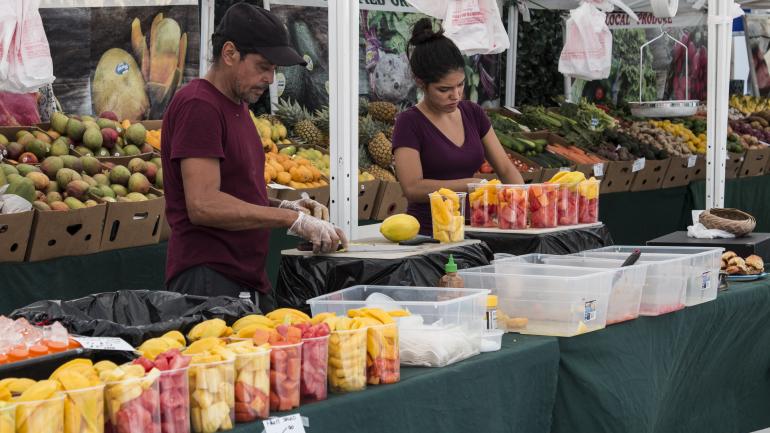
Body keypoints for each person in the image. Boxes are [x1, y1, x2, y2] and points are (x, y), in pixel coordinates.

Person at [160, 3, 347, 311]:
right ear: (230, 53)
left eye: (274, 69)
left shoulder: (237, 105)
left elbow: (235, 193)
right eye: (263, 66)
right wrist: (292, 219)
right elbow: (203, 205)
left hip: (241, 276)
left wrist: (285, 204)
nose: (271, 79)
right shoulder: (199, 106)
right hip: (210, 277)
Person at [392, 19, 524, 235]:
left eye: (460, 85)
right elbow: (412, 188)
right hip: (429, 236)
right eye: (444, 89)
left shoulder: (473, 113)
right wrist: (470, 185)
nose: (456, 95)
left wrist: (522, 204)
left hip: (477, 229)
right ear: (420, 82)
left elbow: (506, 168)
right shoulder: (409, 123)